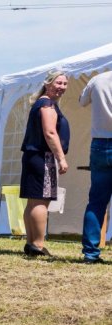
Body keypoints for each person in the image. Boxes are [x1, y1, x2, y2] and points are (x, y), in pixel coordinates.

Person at [19, 71, 71, 257]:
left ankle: (31, 243)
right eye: (58, 83)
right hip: (43, 157)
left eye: (65, 84)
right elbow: (50, 133)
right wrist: (61, 158)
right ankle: (38, 245)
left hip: (33, 156)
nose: (62, 87)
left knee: (33, 201)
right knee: (41, 200)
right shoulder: (47, 104)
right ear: (48, 84)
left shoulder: (41, 102)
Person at [78, 70, 112, 264]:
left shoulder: (97, 79)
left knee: (97, 201)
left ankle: (90, 253)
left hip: (100, 143)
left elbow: (82, 101)